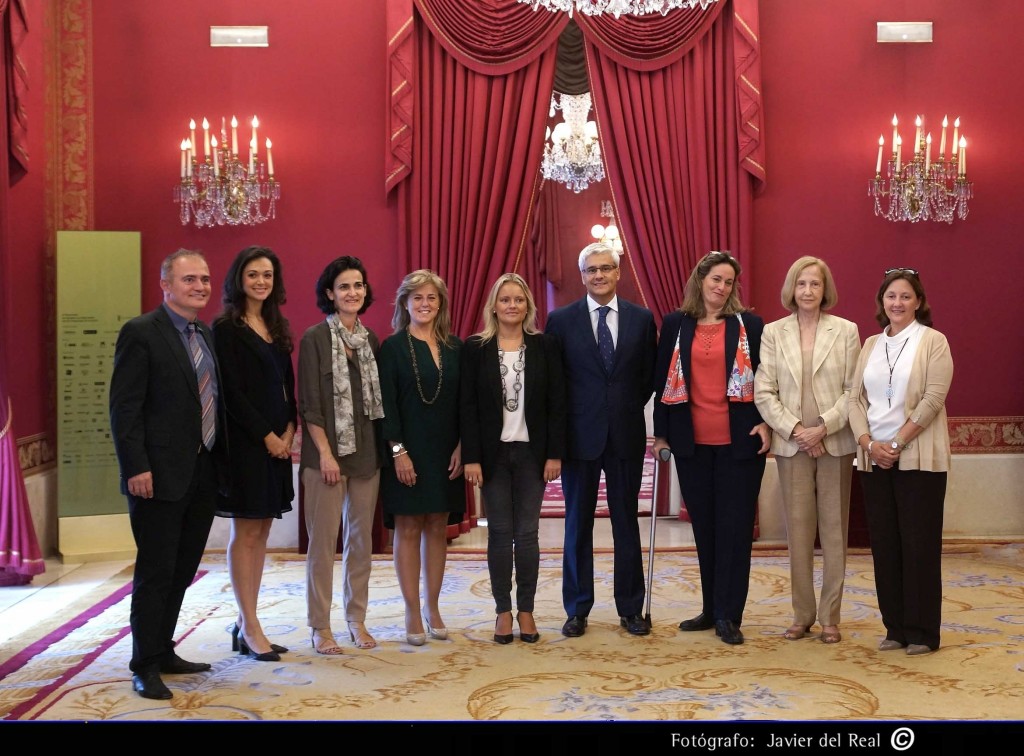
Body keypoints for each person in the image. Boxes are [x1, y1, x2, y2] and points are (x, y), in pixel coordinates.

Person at [109, 249, 226, 700]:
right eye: (189, 279)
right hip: (155, 475)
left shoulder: (204, 333)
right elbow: (125, 407)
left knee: (182, 569)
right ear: (166, 284)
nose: (200, 286)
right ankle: (144, 664)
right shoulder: (141, 332)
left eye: (205, 278)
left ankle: (164, 648)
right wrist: (135, 466)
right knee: (156, 572)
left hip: (201, 472)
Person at [651, 250, 770, 646]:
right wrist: (662, 434)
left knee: (735, 531)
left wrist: (766, 422)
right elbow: (661, 382)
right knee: (705, 529)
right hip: (691, 445)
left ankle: (729, 615)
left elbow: (768, 382)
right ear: (700, 280)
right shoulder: (675, 324)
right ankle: (709, 608)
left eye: (729, 281)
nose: (722, 287)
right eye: (716, 279)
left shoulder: (749, 325)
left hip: (740, 444)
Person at [545, 242, 657, 638]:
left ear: (618, 273)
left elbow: (648, 378)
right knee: (577, 525)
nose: (598, 275)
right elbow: (555, 386)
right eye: (591, 270)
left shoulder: (642, 320)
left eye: (606, 268)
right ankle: (577, 609)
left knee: (626, 523)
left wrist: (622, 408)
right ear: (582, 276)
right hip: (579, 438)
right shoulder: (560, 320)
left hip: (625, 435)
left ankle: (630, 608)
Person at [754, 256, 860, 644]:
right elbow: (764, 390)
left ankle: (831, 617)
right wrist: (798, 430)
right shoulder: (773, 332)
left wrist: (823, 429)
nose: (808, 291)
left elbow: (853, 390)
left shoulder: (846, 331)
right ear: (791, 289)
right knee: (797, 534)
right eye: (802, 284)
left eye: (815, 284)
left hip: (835, 443)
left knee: (834, 532)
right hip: (791, 444)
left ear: (824, 289)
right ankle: (802, 615)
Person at [849, 268, 953, 656]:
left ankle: (923, 631)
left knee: (919, 545)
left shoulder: (933, 341)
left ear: (919, 302)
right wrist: (867, 443)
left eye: (905, 297)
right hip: (873, 459)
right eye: (891, 296)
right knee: (886, 546)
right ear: (882, 302)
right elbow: (854, 399)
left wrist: (895, 442)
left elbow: (933, 398)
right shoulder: (871, 343)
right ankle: (894, 627)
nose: (897, 303)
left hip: (918, 462)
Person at [461, 274, 566, 644]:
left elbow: (557, 404)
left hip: (532, 454)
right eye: (505, 300)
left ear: (528, 306)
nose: (511, 306)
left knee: (527, 533)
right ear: (494, 305)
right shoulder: (475, 348)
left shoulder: (545, 346)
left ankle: (526, 610)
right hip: (491, 456)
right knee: (500, 534)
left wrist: (554, 453)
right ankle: (502, 612)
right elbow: (468, 407)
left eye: (518, 300)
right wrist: (471, 457)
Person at [213, 246, 296, 662]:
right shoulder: (225, 328)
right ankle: (249, 624)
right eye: (252, 274)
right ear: (238, 279)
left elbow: (287, 385)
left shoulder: (276, 326)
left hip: (277, 446)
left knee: (260, 535)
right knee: (245, 534)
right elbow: (230, 393)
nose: (261, 281)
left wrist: (290, 427)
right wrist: (266, 435)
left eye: (267, 274)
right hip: (246, 447)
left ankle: (245, 621)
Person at [298, 256, 384, 655]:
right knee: (323, 544)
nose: (353, 293)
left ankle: (356, 619)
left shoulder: (371, 342)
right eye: (345, 286)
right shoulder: (314, 338)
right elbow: (310, 405)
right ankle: (320, 626)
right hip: (325, 458)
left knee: (360, 541)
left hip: (366, 455)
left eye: (359, 286)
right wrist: (326, 454)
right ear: (330, 293)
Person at [379, 270, 465, 645]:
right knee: (409, 526)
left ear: (440, 303)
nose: (425, 304)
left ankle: (433, 606)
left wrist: (464, 446)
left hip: (447, 451)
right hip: (407, 450)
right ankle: (412, 610)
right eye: (417, 298)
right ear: (405, 303)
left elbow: (466, 403)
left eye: (431, 297)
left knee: (437, 526)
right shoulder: (393, 347)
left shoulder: (456, 346)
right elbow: (386, 407)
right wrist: (399, 452)